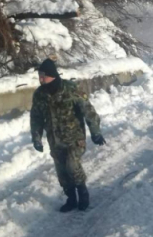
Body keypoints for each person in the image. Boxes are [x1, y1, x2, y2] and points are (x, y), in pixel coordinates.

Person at [31, 58, 105, 212]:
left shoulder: (71, 89)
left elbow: (89, 111)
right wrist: (36, 138)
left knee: (72, 166)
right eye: (39, 75)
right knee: (62, 172)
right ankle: (71, 199)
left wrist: (95, 132)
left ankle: (83, 194)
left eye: (43, 75)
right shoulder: (40, 94)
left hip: (74, 138)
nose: (40, 78)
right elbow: (36, 117)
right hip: (55, 140)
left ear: (52, 75)